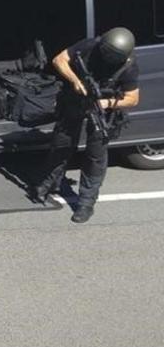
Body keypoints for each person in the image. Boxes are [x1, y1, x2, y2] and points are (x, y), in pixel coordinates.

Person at [31, 27, 140, 222]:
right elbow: (59, 60)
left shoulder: (129, 66)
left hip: (102, 111)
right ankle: (45, 185)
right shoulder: (90, 45)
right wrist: (74, 81)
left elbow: (132, 99)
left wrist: (106, 103)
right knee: (61, 145)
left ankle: (86, 203)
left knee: (95, 157)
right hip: (76, 100)